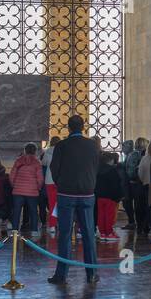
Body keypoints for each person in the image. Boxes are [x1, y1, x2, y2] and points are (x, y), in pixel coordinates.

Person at [48, 115, 100, 285]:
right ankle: (92, 274)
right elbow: (95, 167)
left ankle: (61, 275)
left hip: (66, 195)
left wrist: (62, 184)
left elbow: (54, 168)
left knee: (64, 235)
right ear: (83, 127)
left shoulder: (62, 146)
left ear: (68, 128)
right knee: (88, 235)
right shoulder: (93, 145)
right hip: (87, 194)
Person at [9, 143, 44, 235]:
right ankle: (34, 230)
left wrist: (14, 185)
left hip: (18, 191)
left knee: (16, 211)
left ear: (25, 150)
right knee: (33, 211)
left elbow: (12, 175)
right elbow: (40, 178)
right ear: (35, 151)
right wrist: (38, 187)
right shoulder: (37, 163)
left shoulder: (18, 161)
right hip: (32, 192)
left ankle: (15, 230)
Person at [95, 150, 124, 241]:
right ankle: (109, 233)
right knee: (109, 215)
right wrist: (119, 196)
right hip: (110, 197)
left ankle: (102, 232)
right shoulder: (112, 170)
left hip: (99, 196)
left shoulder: (98, 170)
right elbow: (116, 184)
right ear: (110, 160)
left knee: (101, 214)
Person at [41, 136, 61, 236]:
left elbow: (43, 163)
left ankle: (52, 225)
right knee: (61, 203)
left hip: (49, 180)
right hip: (60, 181)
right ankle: (61, 224)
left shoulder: (47, 152)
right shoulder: (63, 151)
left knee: (52, 203)